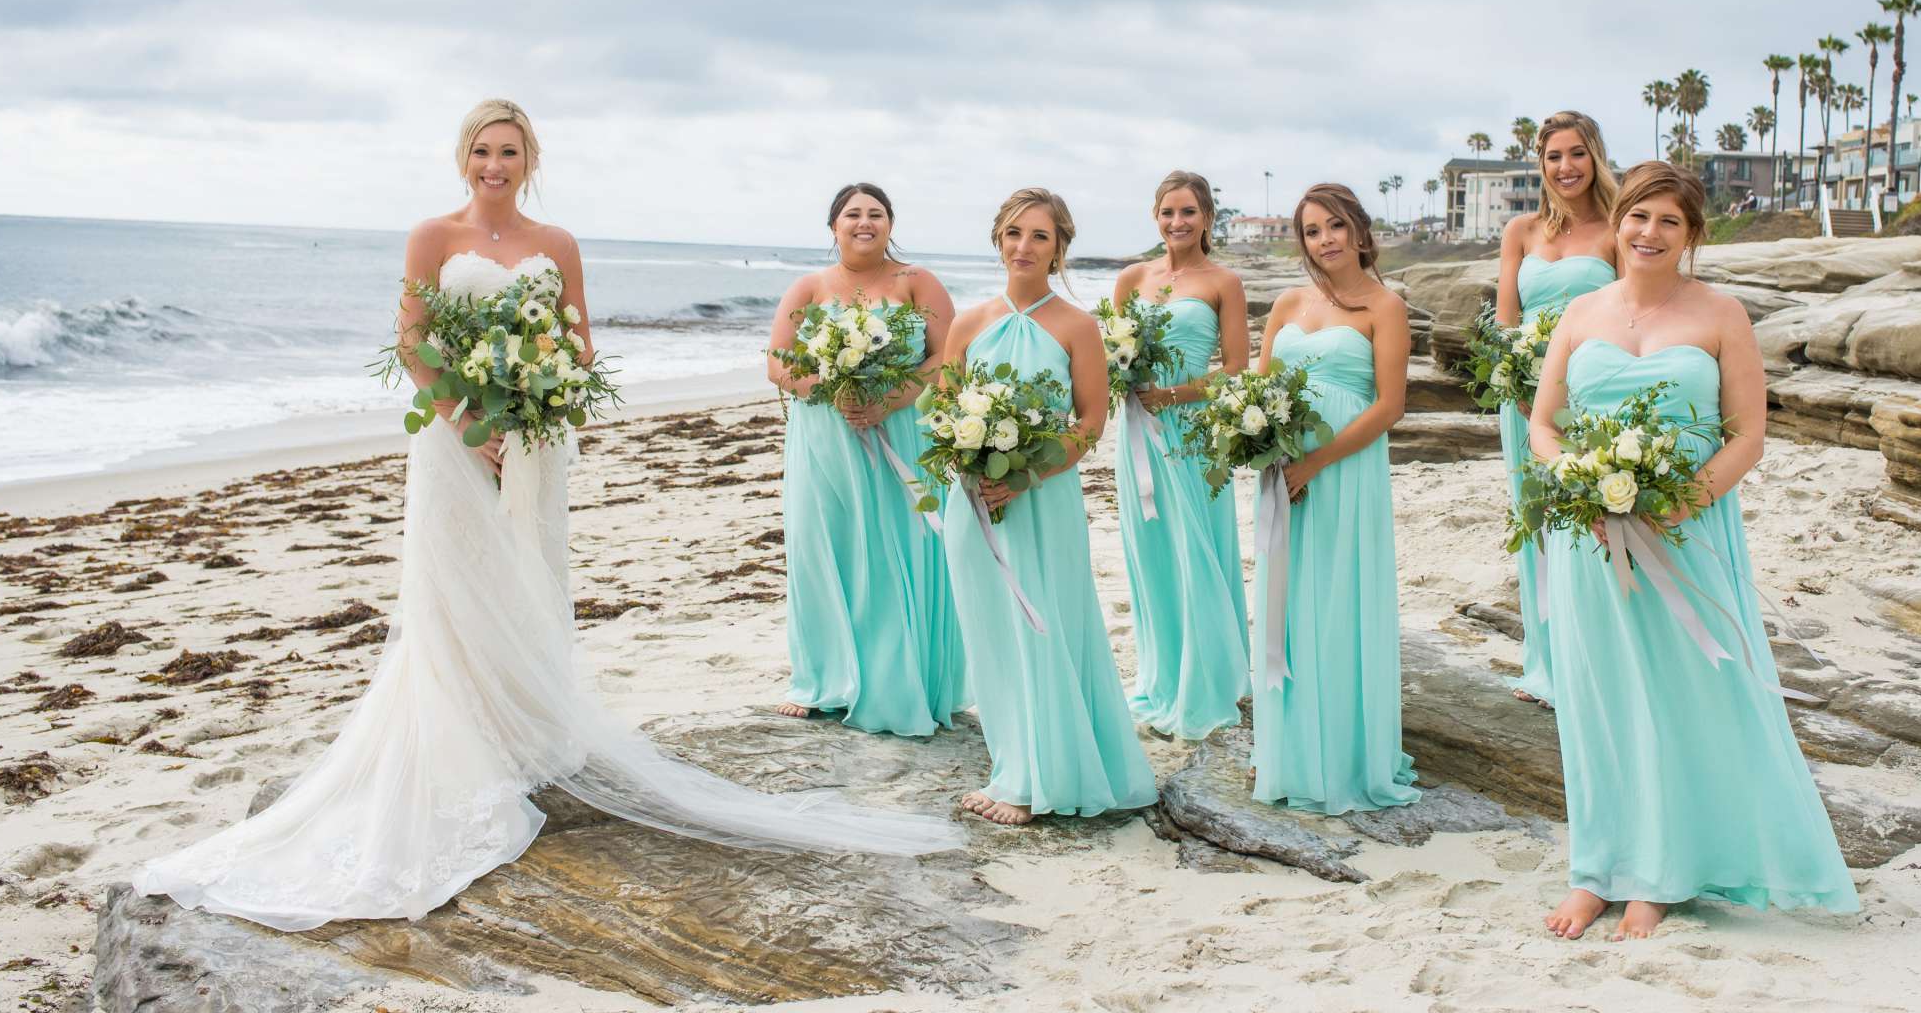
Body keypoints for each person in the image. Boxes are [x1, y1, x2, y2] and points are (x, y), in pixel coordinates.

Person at [135, 102, 956, 932]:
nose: (496, 165)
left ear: (531, 160)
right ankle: (458, 737)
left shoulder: (556, 243)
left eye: (511, 152)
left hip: (533, 436)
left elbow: (580, 344)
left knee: (529, 572)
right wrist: (467, 421)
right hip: (455, 439)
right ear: (464, 158)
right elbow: (413, 341)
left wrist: (535, 402)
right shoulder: (431, 236)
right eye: (484, 151)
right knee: (455, 579)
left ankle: (522, 731)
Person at [1529, 162, 1857, 940]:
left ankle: (1663, 873)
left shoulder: (1721, 314)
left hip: (1688, 532)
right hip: (1592, 535)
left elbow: (1749, 433)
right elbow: (1545, 423)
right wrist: (1578, 478)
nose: (1649, 233)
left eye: (1668, 223)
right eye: (1639, 217)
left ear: (1692, 235)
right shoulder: (1579, 313)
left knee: (1682, 696)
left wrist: (1683, 501)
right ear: (1619, 222)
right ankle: (1597, 868)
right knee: (1599, 696)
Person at [939, 189, 1156, 826]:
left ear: (1059, 246)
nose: (1024, 247)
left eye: (1039, 236)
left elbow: (1091, 422)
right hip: (973, 501)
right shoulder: (968, 323)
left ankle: (1044, 774)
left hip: (1044, 498)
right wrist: (971, 465)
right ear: (997, 240)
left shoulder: (1076, 326)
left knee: (1048, 623)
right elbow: (946, 414)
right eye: (1013, 233)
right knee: (990, 631)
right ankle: (1014, 763)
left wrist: (1027, 473)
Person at [766, 184, 967, 735]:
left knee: (898, 548)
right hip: (825, 440)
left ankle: (903, 679)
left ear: (890, 224)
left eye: (876, 214)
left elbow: (949, 359)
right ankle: (824, 679)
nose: (864, 222)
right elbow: (778, 365)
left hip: (900, 435)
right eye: (852, 214)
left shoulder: (916, 282)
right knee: (826, 548)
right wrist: (834, 388)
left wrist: (892, 400)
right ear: (833, 226)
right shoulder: (808, 286)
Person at [1248, 182, 1419, 815]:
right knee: (1287, 601)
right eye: (1313, 230)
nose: (1325, 239)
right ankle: (1289, 749)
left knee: (1338, 597)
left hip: (1344, 473)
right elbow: (1259, 388)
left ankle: (1344, 755)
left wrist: (1317, 461)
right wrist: (1264, 447)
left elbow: (1390, 405)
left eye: (1335, 226)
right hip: (1283, 467)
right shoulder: (1288, 302)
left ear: (1360, 231)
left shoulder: (1384, 306)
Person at [1110, 171, 1252, 740]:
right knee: (1151, 552)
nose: (1177, 222)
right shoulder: (1131, 278)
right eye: (1168, 212)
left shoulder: (1224, 282)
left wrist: (1173, 395)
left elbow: (1238, 369)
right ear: (1155, 216)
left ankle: (1207, 679)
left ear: (1208, 219)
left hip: (1190, 432)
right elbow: (1107, 351)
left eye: (1189, 212)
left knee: (1196, 549)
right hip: (1138, 431)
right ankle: (1163, 674)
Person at [1491, 111, 1619, 705]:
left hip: (1595, 396)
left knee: (1595, 518)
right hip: (1524, 401)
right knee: (1541, 524)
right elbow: (1505, 323)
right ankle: (1548, 661)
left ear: (1594, 156)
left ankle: (1600, 657)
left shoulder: (1620, 228)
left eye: (1576, 154)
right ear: (1539, 165)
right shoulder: (1520, 232)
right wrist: (1517, 380)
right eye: (1553, 157)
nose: (1565, 167)